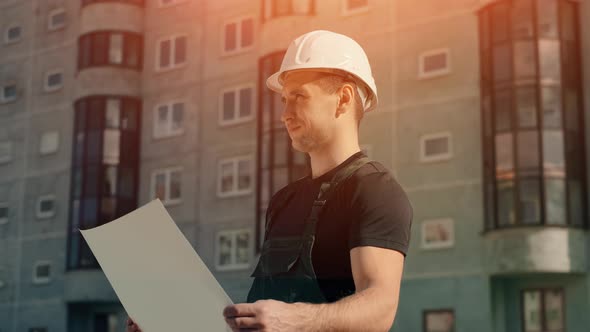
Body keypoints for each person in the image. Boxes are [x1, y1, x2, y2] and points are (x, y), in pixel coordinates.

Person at [127, 29, 412, 332]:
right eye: (284, 100)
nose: (284, 114)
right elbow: (263, 316)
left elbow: (380, 308)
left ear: (343, 99)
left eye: (299, 96)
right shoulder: (283, 201)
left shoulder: (374, 189)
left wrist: (294, 319)